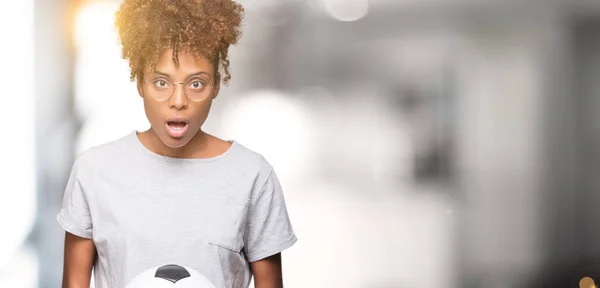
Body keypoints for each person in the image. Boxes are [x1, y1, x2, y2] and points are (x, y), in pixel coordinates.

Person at [56, 0, 297, 287]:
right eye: (161, 82)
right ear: (139, 83)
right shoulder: (94, 171)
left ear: (216, 85)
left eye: (196, 83)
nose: (178, 101)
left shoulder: (253, 176)